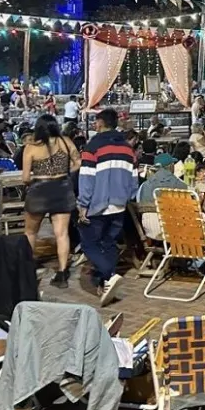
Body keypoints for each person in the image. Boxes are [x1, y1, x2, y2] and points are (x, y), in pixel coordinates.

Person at [78, 108, 137, 305]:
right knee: (109, 243)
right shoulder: (128, 149)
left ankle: (109, 275)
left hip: (97, 203)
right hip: (119, 204)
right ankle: (104, 282)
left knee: (89, 243)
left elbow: (86, 178)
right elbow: (134, 179)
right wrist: (127, 196)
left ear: (100, 123)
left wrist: (82, 205)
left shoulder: (92, 146)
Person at [22, 114, 81, 289]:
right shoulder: (65, 142)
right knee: (61, 233)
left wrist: (36, 177)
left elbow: (25, 177)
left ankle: (27, 268)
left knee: (31, 233)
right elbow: (78, 162)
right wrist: (65, 173)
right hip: (62, 189)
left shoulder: (31, 147)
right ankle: (62, 272)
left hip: (39, 190)